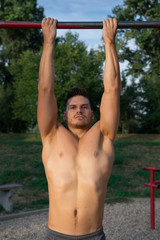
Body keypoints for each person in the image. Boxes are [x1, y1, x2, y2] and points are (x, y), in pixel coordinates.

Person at [38, 17, 121, 240]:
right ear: (63, 114)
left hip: (93, 235)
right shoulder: (51, 135)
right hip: (56, 235)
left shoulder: (104, 136)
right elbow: (46, 89)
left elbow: (112, 89)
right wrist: (48, 43)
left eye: (85, 107)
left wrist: (109, 43)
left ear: (93, 114)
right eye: (73, 107)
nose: (79, 110)